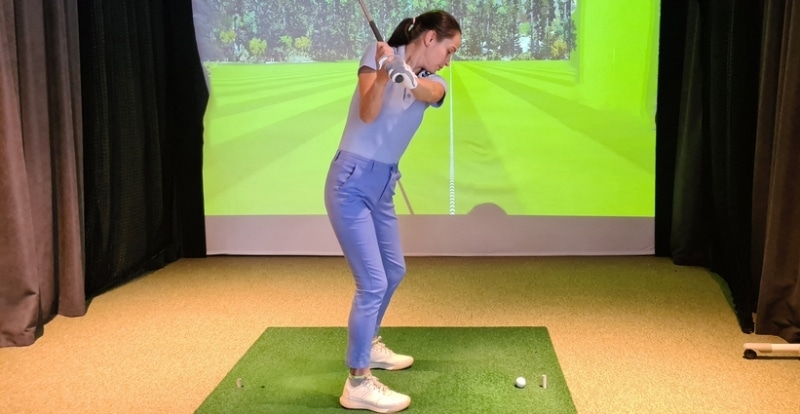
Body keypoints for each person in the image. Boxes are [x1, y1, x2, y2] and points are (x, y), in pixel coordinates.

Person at [323, 9, 462, 414]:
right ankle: (358, 383)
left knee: (394, 271)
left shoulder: (434, 80)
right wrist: (386, 73)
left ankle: (369, 344)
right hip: (350, 181)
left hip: (383, 184)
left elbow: (430, 93)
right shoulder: (377, 54)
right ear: (430, 38)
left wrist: (408, 78)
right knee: (372, 282)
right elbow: (367, 113)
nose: (449, 60)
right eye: (449, 50)